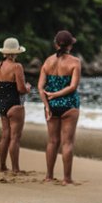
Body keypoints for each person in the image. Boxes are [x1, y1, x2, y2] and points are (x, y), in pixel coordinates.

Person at [38, 30, 81, 185]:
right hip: (70, 105)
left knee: (52, 142)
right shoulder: (75, 62)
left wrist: (47, 105)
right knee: (67, 143)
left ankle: (49, 176)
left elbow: (40, 87)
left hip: (51, 106)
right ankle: (67, 179)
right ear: (70, 45)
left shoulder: (48, 61)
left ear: (56, 44)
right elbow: (73, 86)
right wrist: (56, 95)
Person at [0, 37, 31, 173]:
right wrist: (28, 88)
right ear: (16, 52)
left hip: (1, 103)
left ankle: (2, 166)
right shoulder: (17, 67)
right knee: (15, 137)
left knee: (5, 135)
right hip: (15, 104)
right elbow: (21, 89)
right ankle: (16, 168)